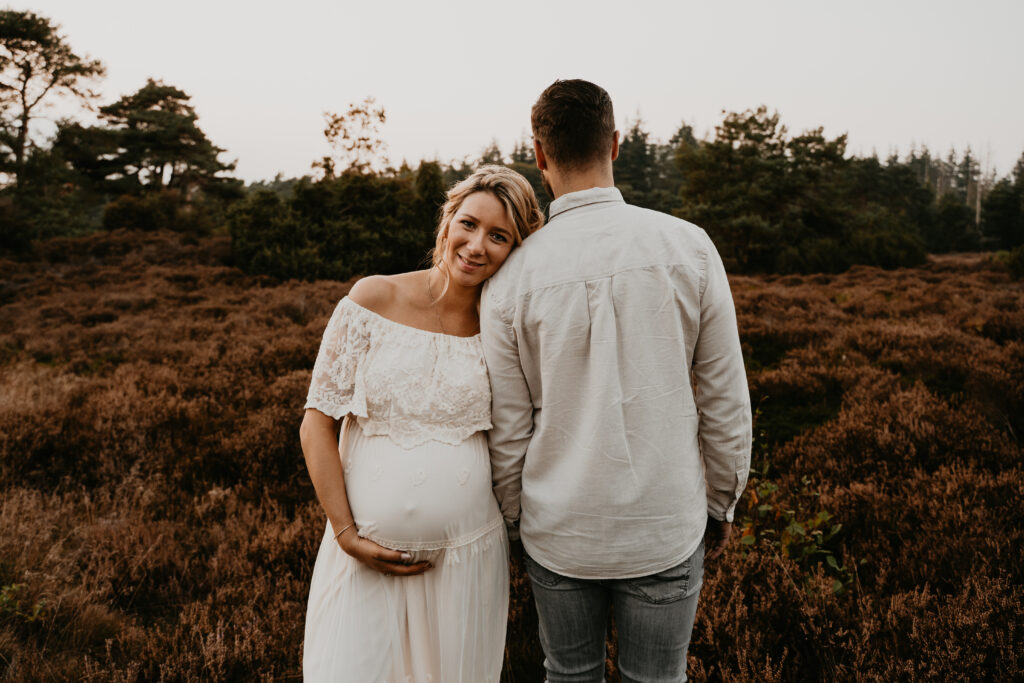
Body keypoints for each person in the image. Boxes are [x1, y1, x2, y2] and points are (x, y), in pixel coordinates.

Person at [481, 80, 752, 682]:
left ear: (539, 154)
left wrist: (516, 522)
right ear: (615, 144)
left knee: (568, 675)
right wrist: (721, 503)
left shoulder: (509, 280)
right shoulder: (690, 248)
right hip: (665, 522)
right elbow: (726, 399)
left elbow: (508, 429)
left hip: (558, 531)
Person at [299, 165, 544, 683]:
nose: (476, 246)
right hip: (363, 554)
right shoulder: (373, 297)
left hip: (467, 563)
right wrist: (346, 534)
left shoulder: (505, 329)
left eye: (499, 236)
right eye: (469, 224)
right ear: (447, 220)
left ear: (516, 249)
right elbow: (316, 422)